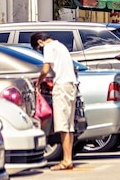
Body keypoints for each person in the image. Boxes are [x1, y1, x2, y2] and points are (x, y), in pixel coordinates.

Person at [31, 32, 77, 171]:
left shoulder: (49, 47)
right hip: (71, 85)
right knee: (69, 125)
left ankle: (66, 160)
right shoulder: (60, 45)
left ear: (40, 42)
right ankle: (68, 159)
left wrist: (38, 83)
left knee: (62, 125)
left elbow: (45, 69)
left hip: (62, 86)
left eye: (39, 48)